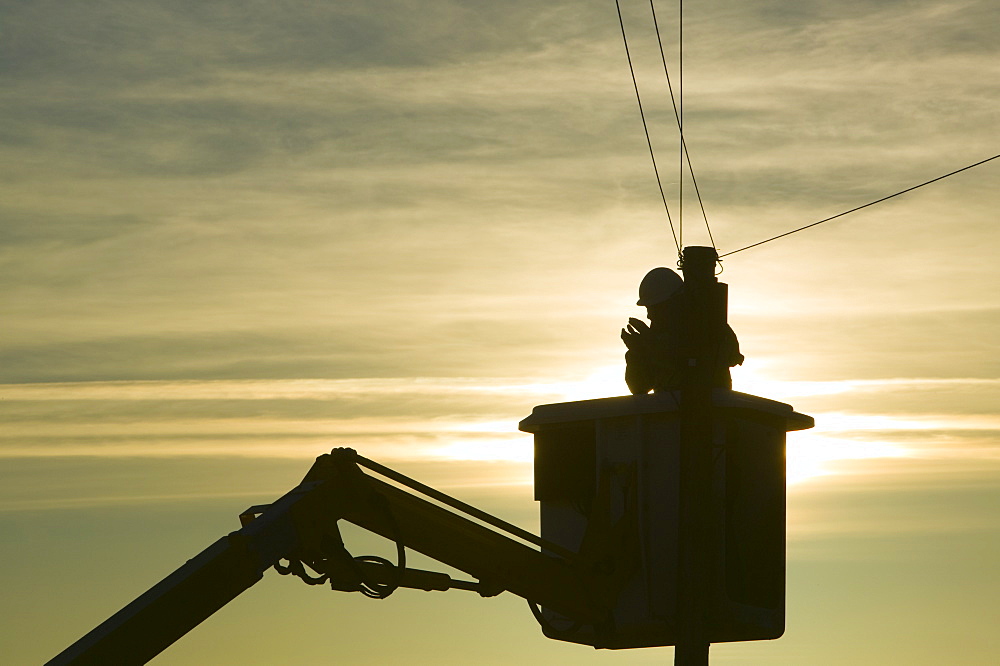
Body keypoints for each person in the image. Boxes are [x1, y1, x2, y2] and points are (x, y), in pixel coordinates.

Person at [622, 267, 743, 395]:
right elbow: (639, 387)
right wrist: (638, 352)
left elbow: (701, 366)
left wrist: (653, 347)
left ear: (673, 303)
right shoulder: (656, 335)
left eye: (655, 308)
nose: (649, 316)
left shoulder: (708, 327)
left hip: (709, 409)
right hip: (670, 411)